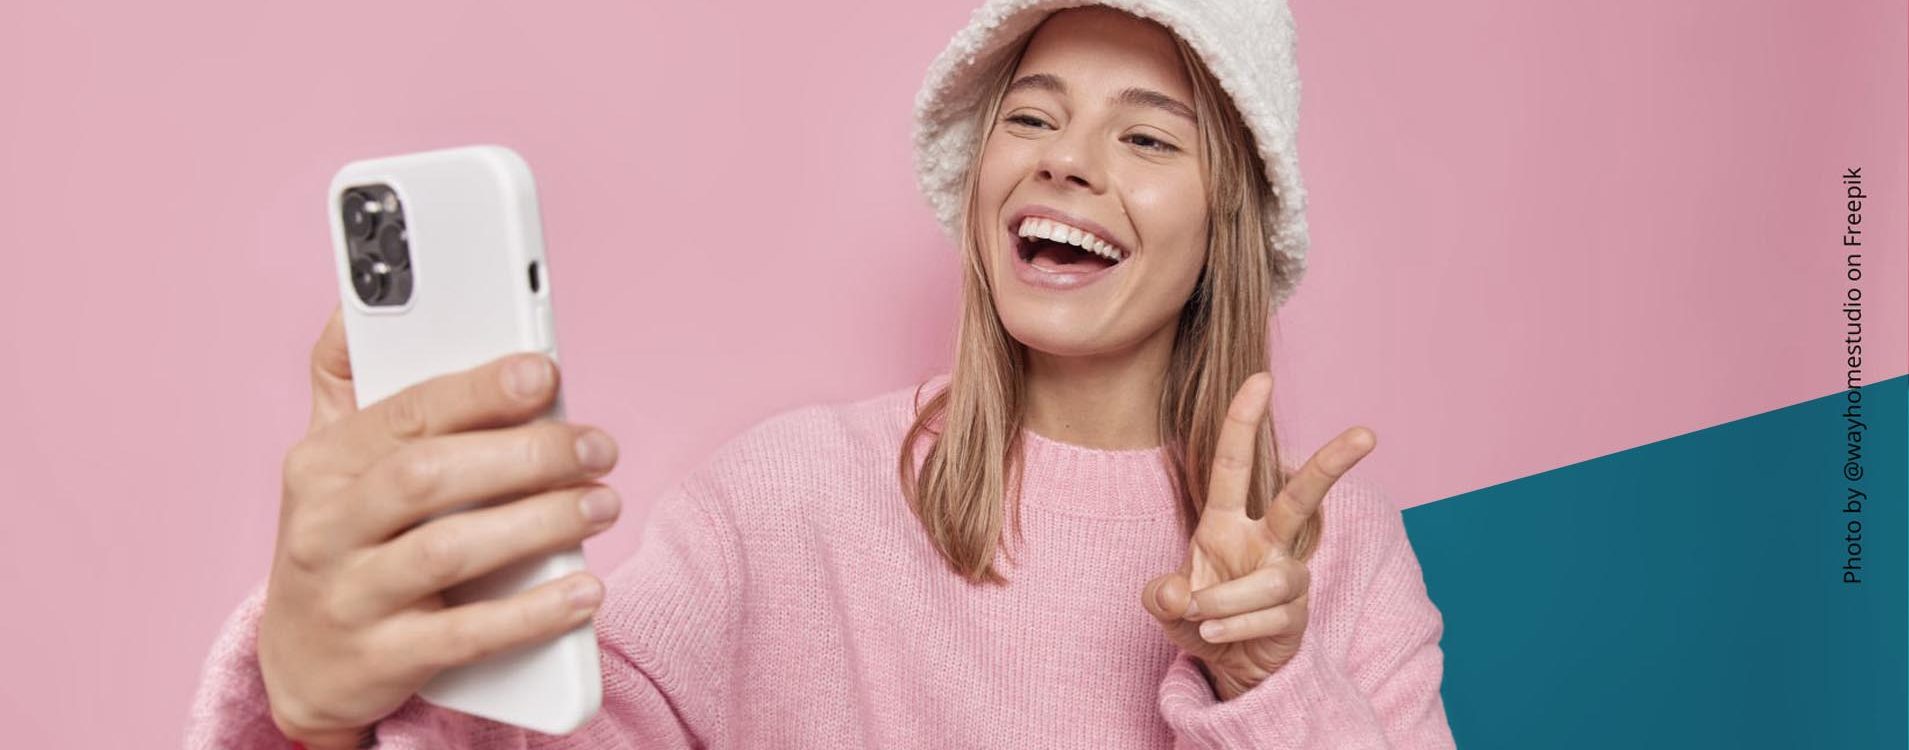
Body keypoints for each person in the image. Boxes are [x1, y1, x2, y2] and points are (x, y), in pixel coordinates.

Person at [188, 1, 1457, 747]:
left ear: (1225, 225)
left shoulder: (1337, 549)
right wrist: (320, 709)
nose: (1067, 161)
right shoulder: (789, 497)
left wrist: (1266, 684)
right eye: (1031, 114)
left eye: (1143, 135)